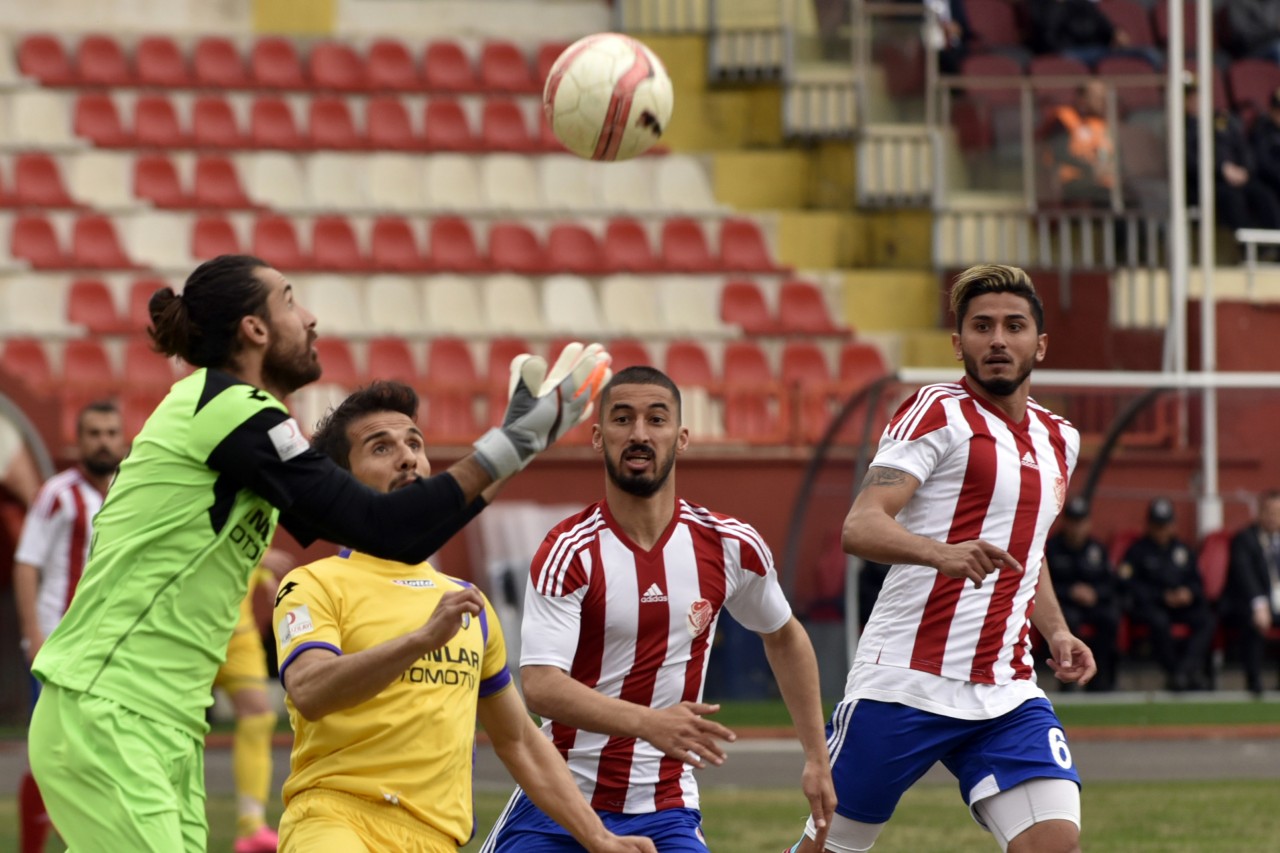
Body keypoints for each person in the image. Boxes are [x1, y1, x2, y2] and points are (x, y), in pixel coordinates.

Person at [27, 253, 612, 852]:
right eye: (288, 300)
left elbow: (395, 532)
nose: (309, 319)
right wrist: (513, 444)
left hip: (163, 724)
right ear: (254, 329)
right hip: (111, 706)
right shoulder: (228, 408)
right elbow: (381, 523)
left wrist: (513, 451)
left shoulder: (241, 425)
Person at [273, 380, 654, 853]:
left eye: (415, 443)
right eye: (381, 447)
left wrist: (598, 837)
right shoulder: (313, 584)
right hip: (335, 821)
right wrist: (420, 640)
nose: (408, 457)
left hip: (438, 837)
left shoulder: (465, 602)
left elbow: (517, 740)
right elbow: (310, 691)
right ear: (342, 483)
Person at [789, 264, 1095, 853]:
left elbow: (1027, 546)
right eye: (981, 326)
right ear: (959, 344)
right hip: (904, 683)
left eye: (1014, 325)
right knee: (831, 847)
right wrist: (942, 554)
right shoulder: (935, 410)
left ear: (1041, 343)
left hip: (1006, 690)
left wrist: (1054, 629)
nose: (998, 339)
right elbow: (861, 524)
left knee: (1054, 844)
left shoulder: (1061, 437)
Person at [483, 366, 836, 852]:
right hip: (559, 801)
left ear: (682, 437)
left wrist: (817, 757)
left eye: (656, 419)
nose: (640, 434)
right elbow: (542, 686)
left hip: (666, 808)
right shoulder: (569, 550)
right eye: (622, 419)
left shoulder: (730, 545)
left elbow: (785, 636)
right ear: (597, 437)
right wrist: (650, 722)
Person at [12, 400, 126, 853]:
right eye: (94, 433)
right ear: (77, 442)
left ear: (124, 440)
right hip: (58, 644)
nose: (103, 441)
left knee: (102, 756)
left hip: (110, 648)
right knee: (52, 756)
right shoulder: (57, 493)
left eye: (111, 433)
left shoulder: (132, 492)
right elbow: (26, 564)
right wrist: (34, 638)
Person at [212, 548, 293, 853]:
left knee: (258, 716)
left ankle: (251, 826)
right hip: (189, 632)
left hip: (239, 634)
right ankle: (173, 812)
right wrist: (258, 558)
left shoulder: (260, 504)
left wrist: (263, 576)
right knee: (179, 725)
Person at [1118, 498, 1216, 692]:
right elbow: (1127, 584)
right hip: (1153, 607)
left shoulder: (1183, 550)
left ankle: (1184, 670)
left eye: (1165, 525)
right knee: (1159, 622)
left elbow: (1197, 581)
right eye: (1157, 525)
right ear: (1149, 525)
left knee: (1207, 619)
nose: (1162, 530)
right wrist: (1161, 596)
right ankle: (1176, 673)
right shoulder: (1137, 551)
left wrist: (1188, 593)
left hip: (1181, 606)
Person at [1045, 496, 1121, 692]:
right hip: (1064, 605)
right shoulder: (1052, 548)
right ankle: (1067, 680)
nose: (1076, 528)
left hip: (1093, 605)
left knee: (1110, 618)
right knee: (1068, 622)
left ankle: (1102, 680)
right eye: (1072, 522)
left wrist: (1094, 593)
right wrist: (1070, 592)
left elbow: (1110, 583)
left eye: (1081, 522)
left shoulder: (1096, 548)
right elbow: (1043, 585)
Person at [1186, 79, 1280, 237]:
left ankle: (1274, 244)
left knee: (1264, 196)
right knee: (1233, 198)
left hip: (1238, 176)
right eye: (1193, 98)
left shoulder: (1223, 120)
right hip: (1209, 180)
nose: (1198, 102)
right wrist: (1222, 168)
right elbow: (1189, 159)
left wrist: (1245, 170)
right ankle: (1247, 248)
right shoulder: (1182, 126)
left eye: (1201, 97)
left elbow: (1243, 148)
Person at [1224, 491, 1280, 695]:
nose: (1273, 517)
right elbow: (1244, 576)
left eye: (1278, 512)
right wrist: (1260, 604)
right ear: (1259, 513)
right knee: (1255, 620)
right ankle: (1254, 681)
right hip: (1250, 602)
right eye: (1269, 512)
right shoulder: (1244, 539)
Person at [1043, 81, 1116, 207]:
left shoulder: (1103, 124)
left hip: (1101, 182)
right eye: (1096, 97)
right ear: (1080, 98)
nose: (1101, 101)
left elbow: (1107, 154)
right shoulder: (1064, 119)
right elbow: (1057, 152)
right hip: (1072, 182)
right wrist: (1091, 168)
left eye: (1103, 97)